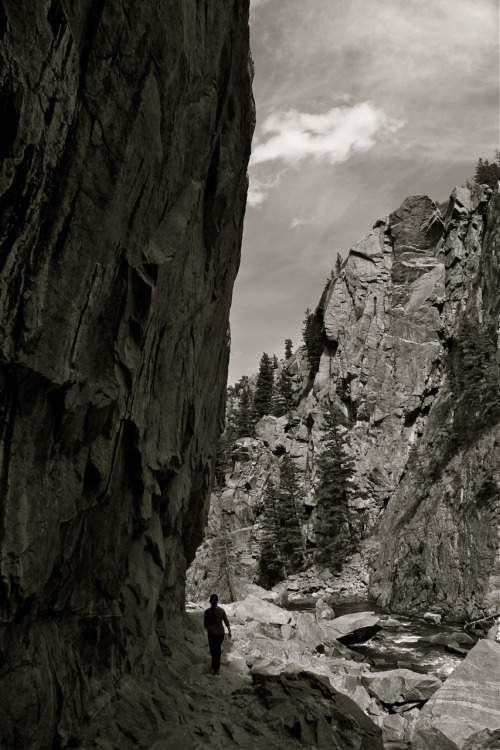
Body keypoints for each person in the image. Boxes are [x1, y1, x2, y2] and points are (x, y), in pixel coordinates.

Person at [203, 593, 231, 675]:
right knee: (217, 649)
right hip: (220, 634)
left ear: (210, 601)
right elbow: (226, 622)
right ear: (217, 601)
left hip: (212, 634)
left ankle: (215, 667)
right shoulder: (222, 611)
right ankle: (216, 668)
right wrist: (230, 631)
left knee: (213, 650)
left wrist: (210, 628)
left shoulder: (207, 612)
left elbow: (205, 624)